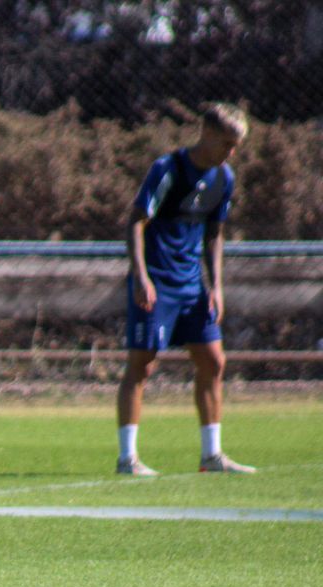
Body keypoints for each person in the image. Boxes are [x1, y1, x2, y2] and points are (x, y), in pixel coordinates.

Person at [116, 102, 256, 476]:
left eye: (236, 145)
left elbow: (214, 234)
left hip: (193, 285)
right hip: (157, 282)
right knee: (142, 364)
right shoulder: (169, 169)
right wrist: (141, 276)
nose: (232, 151)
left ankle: (212, 456)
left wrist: (216, 286)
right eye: (227, 143)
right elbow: (136, 221)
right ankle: (127, 459)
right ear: (207, 134)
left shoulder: (224, 178)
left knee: (213, 361)